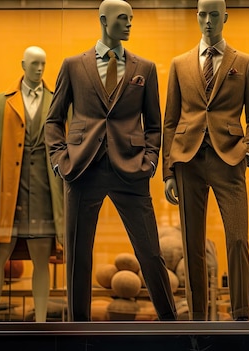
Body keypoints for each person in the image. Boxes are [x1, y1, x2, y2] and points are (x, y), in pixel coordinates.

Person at [45, 0, 177, 322]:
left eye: (131, 18)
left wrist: (149, 161)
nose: (130, 24)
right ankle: (79, 332)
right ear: (104, 21)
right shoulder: (73, 66)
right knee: (78, 256)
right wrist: (60, 161)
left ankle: (173, 327)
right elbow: (53, 120)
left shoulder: (144, 69)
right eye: (123, 18)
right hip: (81, 169)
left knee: (150, 253)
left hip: (131, 170)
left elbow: (154, 125)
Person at [162, 0, 249, 321]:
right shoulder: (179, 64)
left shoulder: (245, 63)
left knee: (237, 238)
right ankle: (197, 318)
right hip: (187, 159)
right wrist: (168, 170)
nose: (208, 21)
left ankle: (241, 315)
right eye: (203, 15)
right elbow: (170, 120)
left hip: (229, 158)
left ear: (225, 18)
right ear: (197, 17)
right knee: (192, 243)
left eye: (214, 15)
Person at [0, 46, 64, 323]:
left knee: (41, 262)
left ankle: (40, 325)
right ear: (23, 65)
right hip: (7, 194)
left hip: (44, 194)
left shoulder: (58, 101)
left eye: (44, 64)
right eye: (34, 64)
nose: (40, 69)